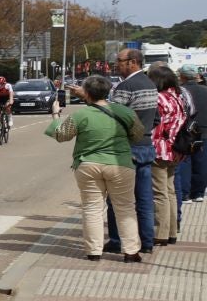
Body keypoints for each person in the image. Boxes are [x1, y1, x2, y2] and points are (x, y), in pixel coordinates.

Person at [45, 76, 141, 262]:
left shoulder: (80, 115)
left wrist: (56, 114)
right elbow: (137, 135)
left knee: (92, 208)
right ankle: (130, 251)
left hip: (88, 164)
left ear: (86, 94)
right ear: (108, 91)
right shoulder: (125, 112)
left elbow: (61, 136)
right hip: (120, 163)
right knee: (125, 208)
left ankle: (94, 251)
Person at [105, 49, 158, 256]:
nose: (115, 64)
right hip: (145, 145)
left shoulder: (126, 86)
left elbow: (112, 117)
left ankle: (117, 240)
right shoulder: (150, 84)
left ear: (133, 62)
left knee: (118, 198)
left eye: (119, 61)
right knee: (144, 197)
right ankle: (147, 241)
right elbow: (156, 118)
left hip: (126, 148)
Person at [149, 64, 186, 246]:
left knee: (159, 193)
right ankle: (172, 231)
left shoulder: (159, 98)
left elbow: (157, 127)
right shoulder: (177, 97)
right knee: (170, 191)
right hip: (176, 149)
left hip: (160, 149)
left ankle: (160, 233)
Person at [180, 66, 207, 203]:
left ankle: (185, 193)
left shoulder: (180, 92)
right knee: (202, 162)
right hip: (204, 131)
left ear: (182, 76)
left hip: (186, 131)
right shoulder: (205, 90)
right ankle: (198, 193)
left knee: (185, 161)